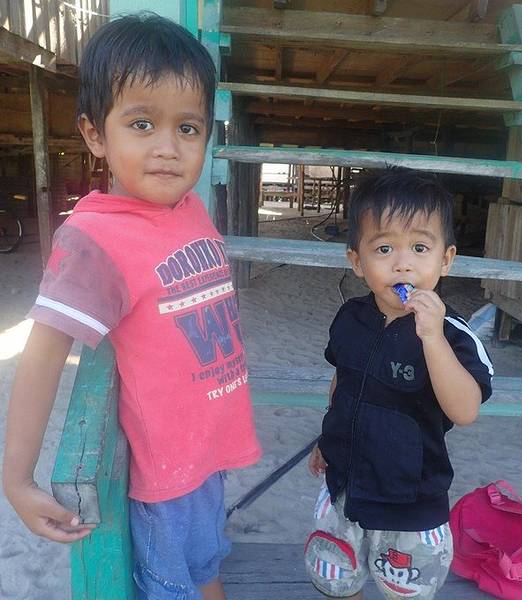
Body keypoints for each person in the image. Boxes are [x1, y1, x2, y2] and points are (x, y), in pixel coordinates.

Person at [2, 14, 261, 600]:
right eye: (142, 124)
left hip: (205, 453)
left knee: (206, 566)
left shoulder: (189, 209)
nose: (168, 148)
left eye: (188, 128)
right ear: (95, 134)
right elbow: (42, 356)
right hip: (163, 477)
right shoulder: (96, 238)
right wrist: (16, 479)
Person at [305, 167, 493, 600]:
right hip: (345, 486)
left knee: (405, 591)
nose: (403, 263)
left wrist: (432, 339)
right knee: (338, 579)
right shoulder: (351, 318)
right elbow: (344, 380)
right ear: (357, 261)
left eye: (420, 248)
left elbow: (465, 411)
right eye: (384, 248)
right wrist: (327, 437)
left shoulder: (453, 335)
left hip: (412, 501)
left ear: (445, 259)